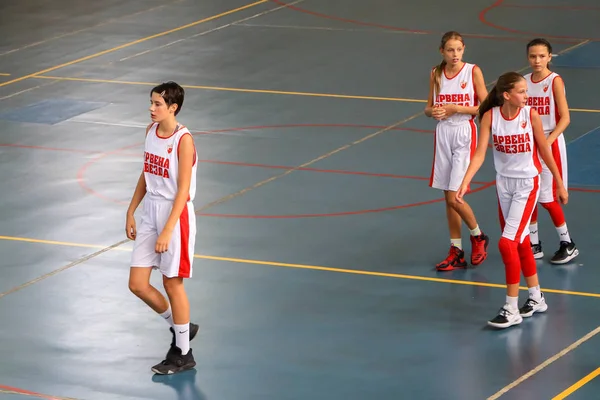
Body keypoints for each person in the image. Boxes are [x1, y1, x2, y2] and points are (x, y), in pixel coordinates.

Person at [456, 72, 568, 329]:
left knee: (507, 244)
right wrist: (465, 181)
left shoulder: (531, 116)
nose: (527, 96)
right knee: (521, 244)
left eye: (527, 91)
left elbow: (544, 150)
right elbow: (480, 154)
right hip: (503, 184)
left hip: (528, 184)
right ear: (507, 95)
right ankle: (536, 297)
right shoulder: (490, 117)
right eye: (522, 92)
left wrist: (559, 183)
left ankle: (511, 308)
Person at [126, 81, 199, 374]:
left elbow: (182, 190)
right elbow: (146, 173)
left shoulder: (184, 140)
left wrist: (168, 230)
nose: (151, 108)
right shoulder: (150, 132)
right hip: (150, 210)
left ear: (173, 108)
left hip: (175, 214)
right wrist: (131, 210)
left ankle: (183, 353)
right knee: (137, 284)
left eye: (157, 104)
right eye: (151, 102)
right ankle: (181, 326)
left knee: (172, 282)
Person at [425, 31, 490, 271]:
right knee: (447, 199)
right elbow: (428, 108)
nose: (455, 54)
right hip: (443, 133)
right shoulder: (436, 73)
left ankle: (478, 235)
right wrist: (435, 112)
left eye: (459, 49)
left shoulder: (472, 71)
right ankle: (456, 250)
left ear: (464, 49)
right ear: (442, 51)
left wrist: (456, 108)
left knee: (455, 197)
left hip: (464, 132)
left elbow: (485, 106)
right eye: (450, 50)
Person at [524, 38, 579, 264]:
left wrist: (548, 140)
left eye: (541, 56)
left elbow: (565, 118)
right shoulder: (524, 81)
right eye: (532, 56)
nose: (537, 60)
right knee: (530, 196)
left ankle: (568, 243)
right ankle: (534, 244)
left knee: (548, 198)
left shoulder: (554, 81)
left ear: (549, 57)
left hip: (550, 141)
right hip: (530, 144)